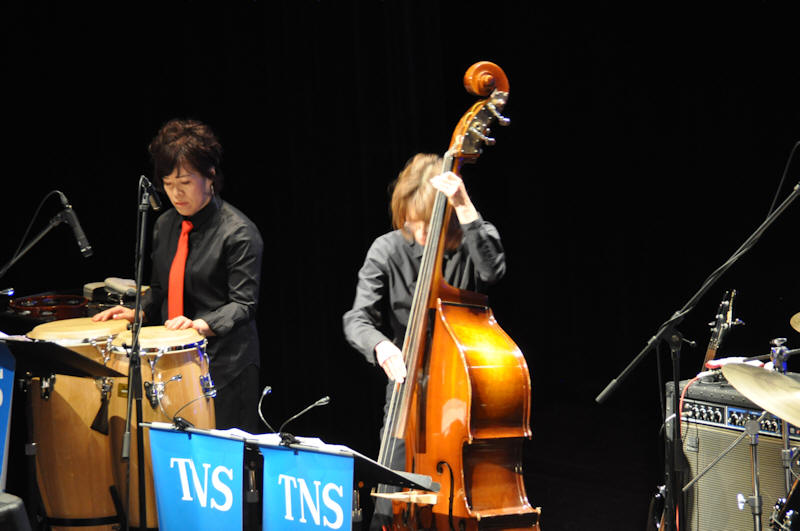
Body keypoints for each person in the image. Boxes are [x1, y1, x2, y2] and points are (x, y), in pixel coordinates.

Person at [342, 153, 506, 528]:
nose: (418, 233)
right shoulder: (387, 249)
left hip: (461, 394)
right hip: (406, 394)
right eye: (411, 223)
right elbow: (357, 318)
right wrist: (381, 346)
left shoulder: (471, 240)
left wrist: (463, 205)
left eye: (427, 225)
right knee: (388, 508)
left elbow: (492, 270)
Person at [94, 118, 263, 433]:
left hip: (225, 366)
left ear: (210, 175)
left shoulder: (238, 232)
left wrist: (199, 324)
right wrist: (138, 311)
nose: (175, 193)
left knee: (221, 455)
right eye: (168, 183)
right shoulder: (165, 225)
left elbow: (243, 304)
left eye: (184, 182)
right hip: (173, 365)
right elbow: (161, 288)